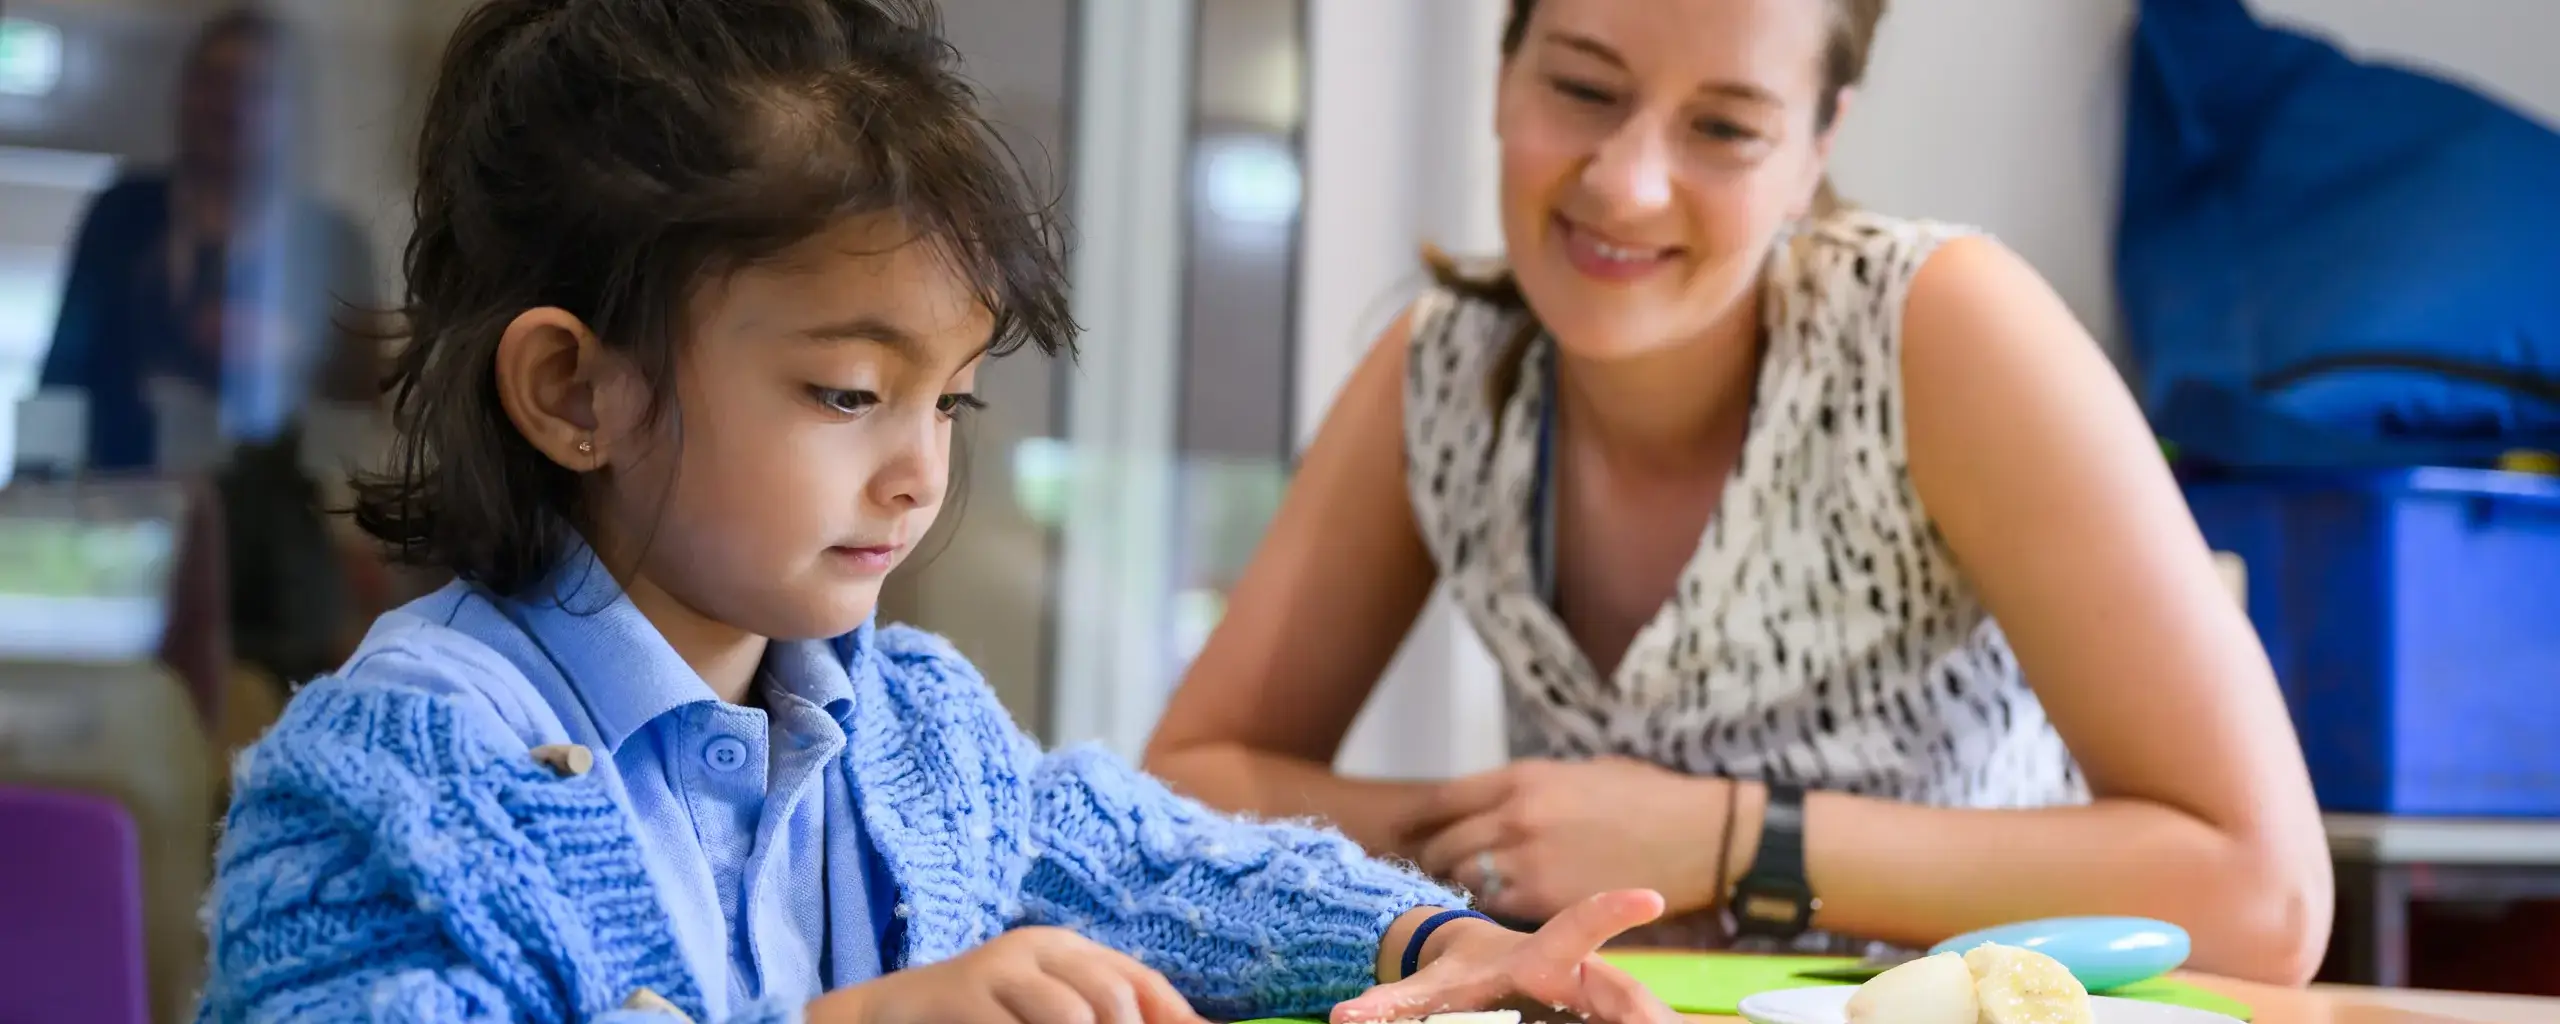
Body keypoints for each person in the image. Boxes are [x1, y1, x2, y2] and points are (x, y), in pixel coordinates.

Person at [193, 2, 1695, 1022]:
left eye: (951, 402)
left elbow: (1163, 870)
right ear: (575, 391)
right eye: (850, 393)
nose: (922, 472)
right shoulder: (380, 783)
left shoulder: (910, 727)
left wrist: (1439, 942)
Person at [1142, 0, 2334, 986]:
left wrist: (1727, 838)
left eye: (1723, 125)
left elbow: (2264, 894)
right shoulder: (1440, 368)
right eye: (1583, 88)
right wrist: (1521, 842)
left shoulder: (1941, 329)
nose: (1627, 184)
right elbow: (1181, 788)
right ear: (1503, 75)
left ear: (1817, 142)